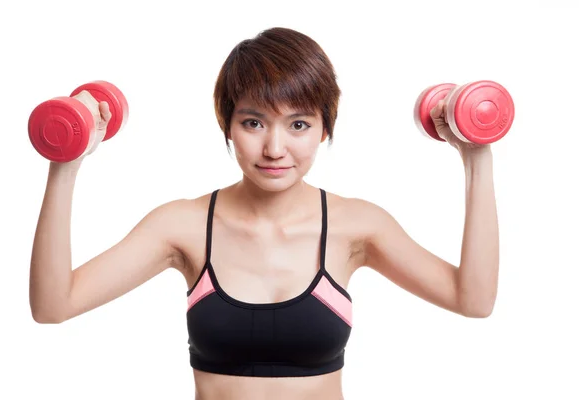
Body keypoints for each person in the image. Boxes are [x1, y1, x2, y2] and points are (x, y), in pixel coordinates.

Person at [29, 27, 499, 400]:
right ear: (228, 124)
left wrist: (475, 156)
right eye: (253, 122)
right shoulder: (183, 227)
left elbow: (472, 300)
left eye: (299, 124)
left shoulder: (357, 227)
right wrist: (65, 165)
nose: (275, 149)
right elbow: (54, 306)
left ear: (324, 130)